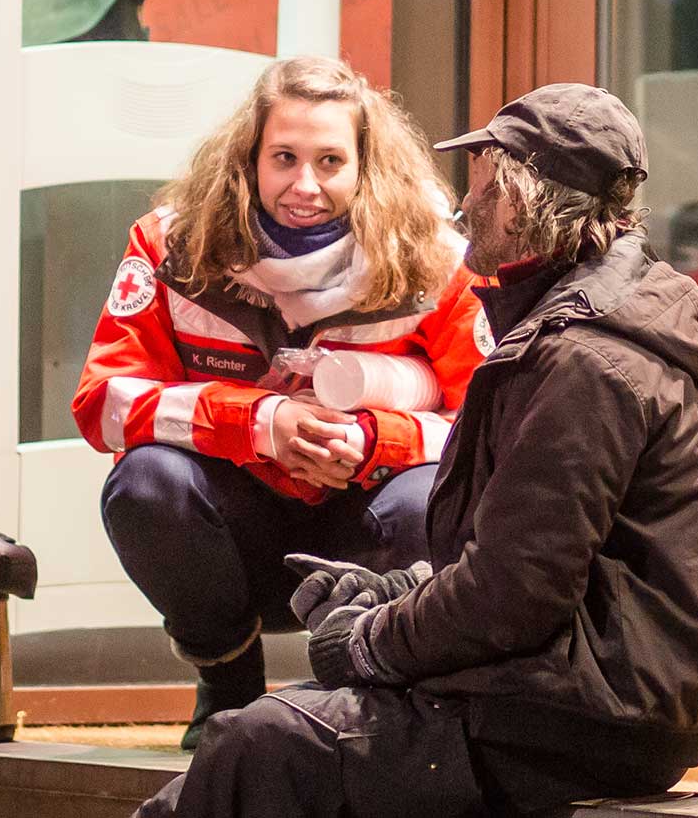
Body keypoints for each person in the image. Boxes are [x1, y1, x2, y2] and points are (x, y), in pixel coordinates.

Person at [137, 84, 698, 818]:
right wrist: (393, 594)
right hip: (577, 694)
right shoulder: (576, 328)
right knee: (260, 736)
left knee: (255, 744)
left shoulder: (587, 359)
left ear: (522, 202)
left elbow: (516, 594)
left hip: (583, 716)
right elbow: (531, 564)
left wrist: (368, 642)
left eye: (483, 185)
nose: (466, 206)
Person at [73, 56, 490, 749]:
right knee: (146, 484)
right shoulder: (169, 245)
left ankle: (369, 694)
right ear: (249, 159)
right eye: (284, 158)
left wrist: (374, 442)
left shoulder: (436, 257)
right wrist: (260, 423)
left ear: (365, 165)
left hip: (369, 529)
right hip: (235, 531)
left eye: (330, 160)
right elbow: (104, 403)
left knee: (431, 499)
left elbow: (487, 429)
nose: (305, 185)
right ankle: (228, 685)